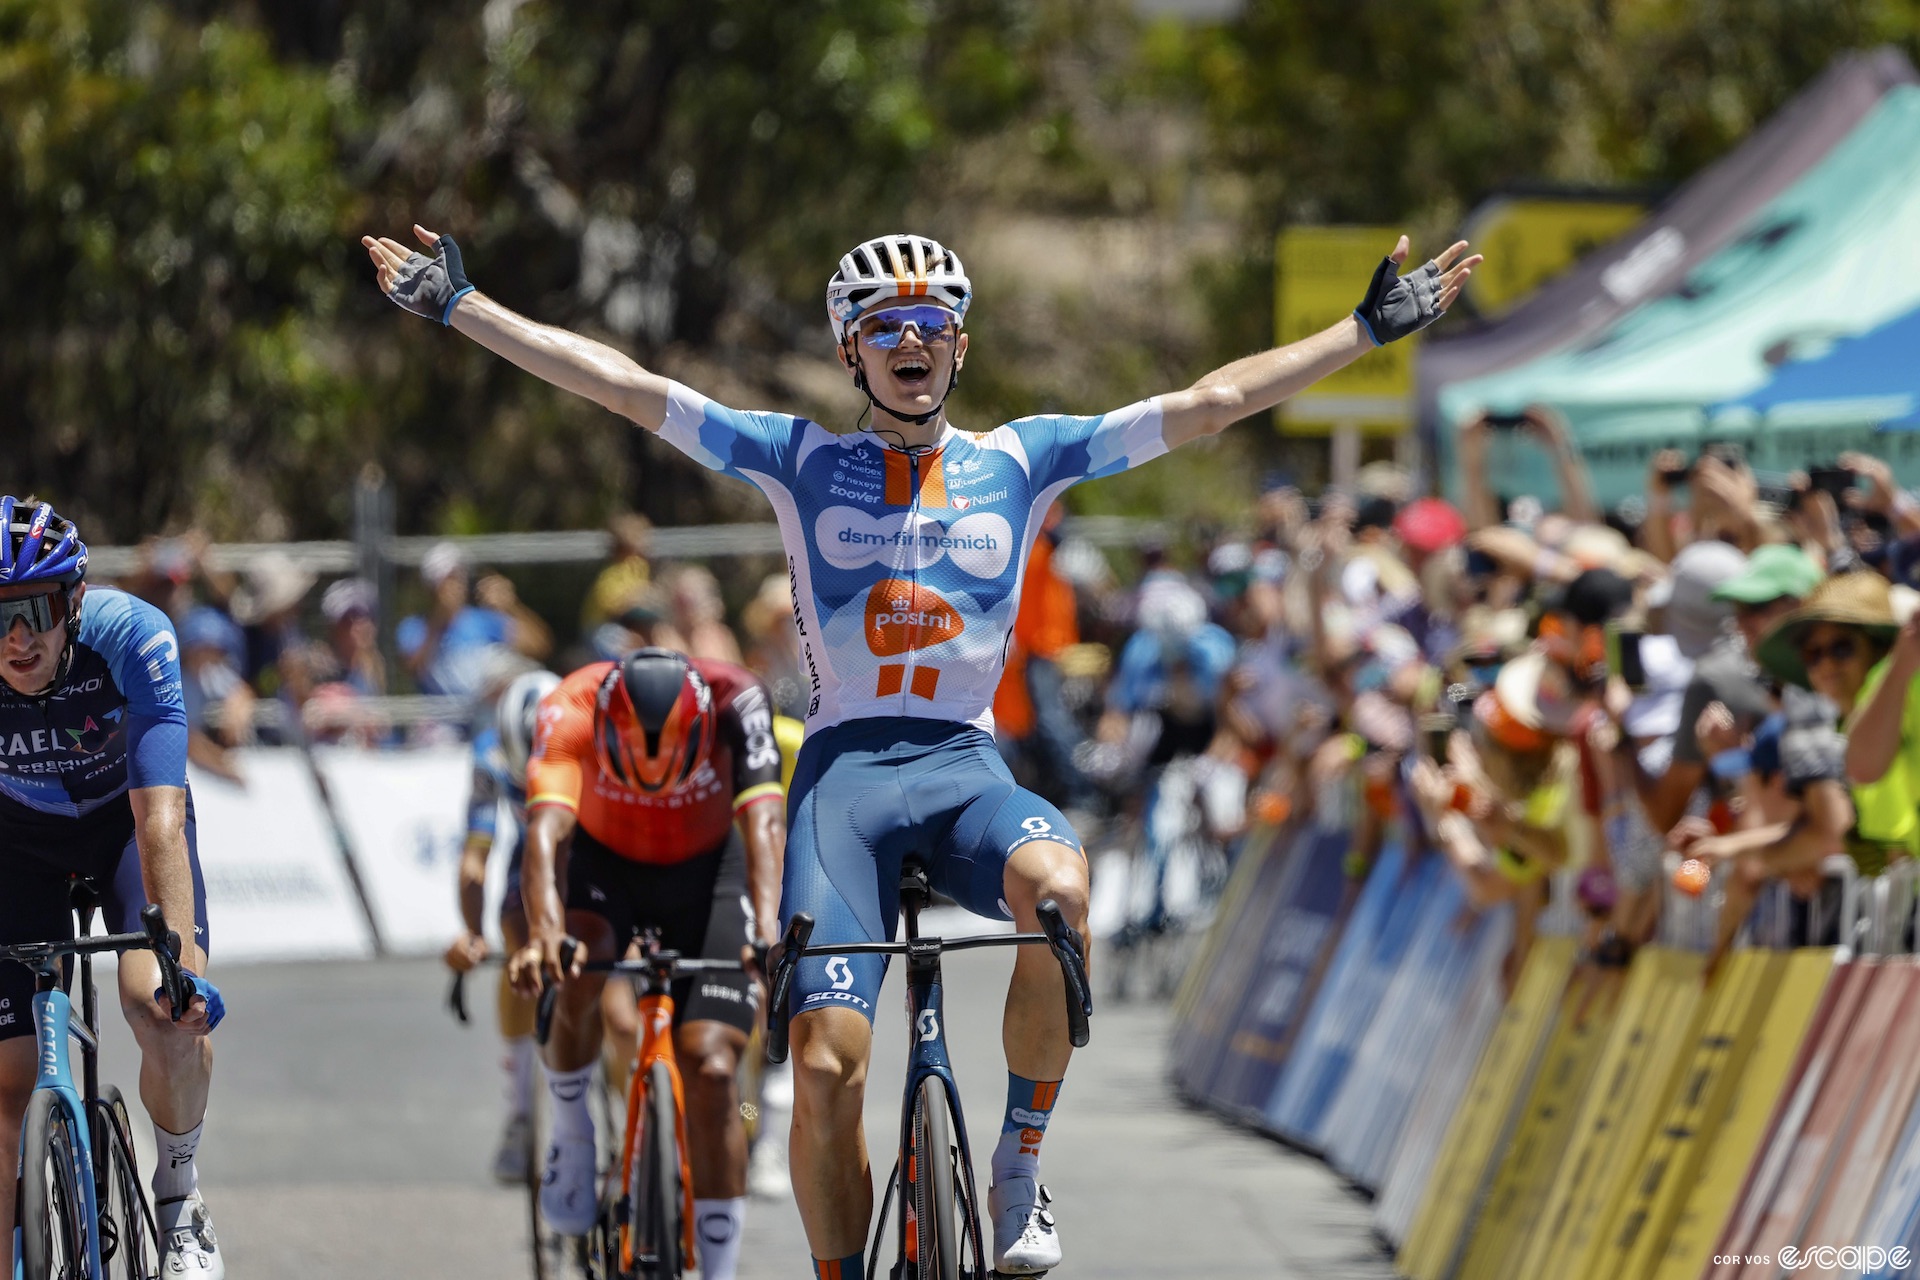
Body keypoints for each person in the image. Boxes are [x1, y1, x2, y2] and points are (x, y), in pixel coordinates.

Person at [364, 220, 1477, 1276]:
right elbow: (620, 384)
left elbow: (1212, 403)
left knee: (1061, 889)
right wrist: (464, 305)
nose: (913, 342)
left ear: (961, 342)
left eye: (935, 321)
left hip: (963, 767)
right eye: (888, 325)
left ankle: (1018, 1168)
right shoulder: (793, 456)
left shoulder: (1024, 459)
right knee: (830, 1062)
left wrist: (1365, 331)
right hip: (842, 779)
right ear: (852, 349)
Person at [506, 650, 784, 1280]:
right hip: (606, 872)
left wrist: (769, 933)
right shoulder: (569, 706)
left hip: (711, 873)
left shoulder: (738, 699)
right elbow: (545, 836)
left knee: (714, 1073)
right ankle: (573, 1132)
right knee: (576, 965)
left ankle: (718, 1270)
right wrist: (545, 934)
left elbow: (765, 821)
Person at [0, 498, 224, 1278]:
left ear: (72, 603)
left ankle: (180, 1193)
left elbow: (161, 821)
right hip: (17, 841)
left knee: (159, 1008)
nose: (16, 638)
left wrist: (181, 966)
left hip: (125, 825)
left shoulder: (132, 635)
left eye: (33, 610)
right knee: (3, 1098)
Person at [444, 668, 562, 1182]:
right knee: (519, 944)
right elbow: (475, 861)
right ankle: (519, 1111)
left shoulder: (589, 738)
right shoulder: (490, 756)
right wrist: (474, 934)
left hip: (592, 849)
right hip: (530, 855)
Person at [397, 542, 553, 698]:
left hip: (483, 716)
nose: (456, 585)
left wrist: (512, 606)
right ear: (431, 587)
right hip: (441, 719)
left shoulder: (482, 620)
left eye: (459, 577)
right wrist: (438, 621)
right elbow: (413, 670)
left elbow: (539, 647)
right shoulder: (414, 627)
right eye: (448, 579)